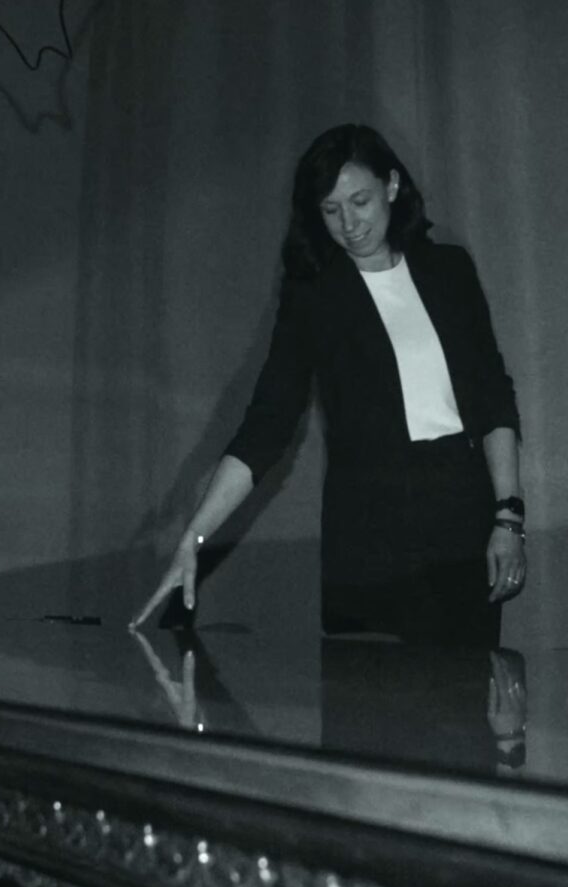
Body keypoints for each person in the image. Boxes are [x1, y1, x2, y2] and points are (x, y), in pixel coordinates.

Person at [131, 123, 526, 646]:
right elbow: (267, 425)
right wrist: (194, 538)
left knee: (465, 692)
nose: (349, 224)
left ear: (391, 186)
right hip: (367, 541)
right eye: (331, 210)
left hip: (460, 522)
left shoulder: (450, 270)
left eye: (360, 201)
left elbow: (494, 398)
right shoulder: (314, 295)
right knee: (363, 695)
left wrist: (508, 518)